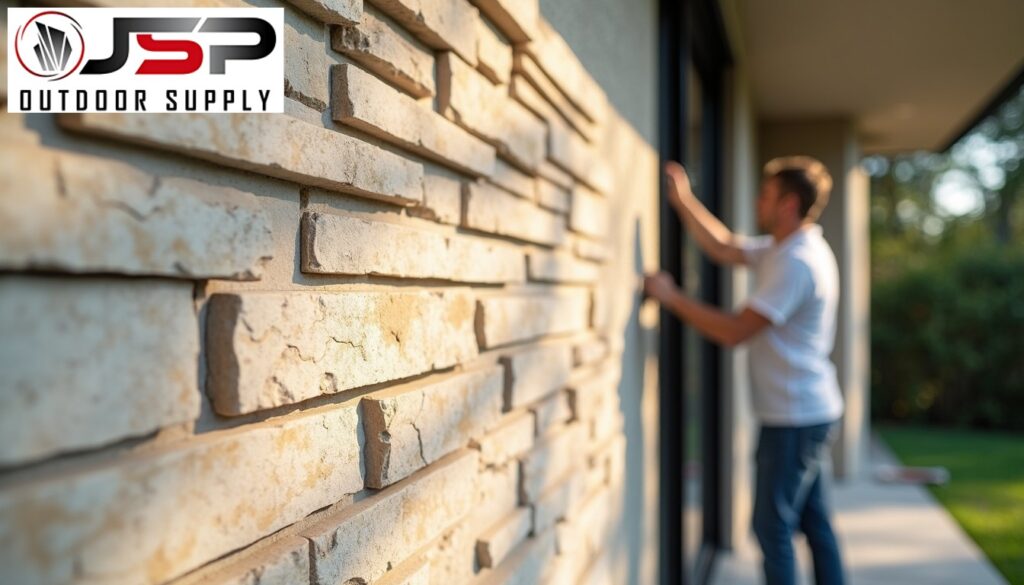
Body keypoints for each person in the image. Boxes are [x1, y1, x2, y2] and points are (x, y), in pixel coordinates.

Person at [644, 157, 846, 585]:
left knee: (772, 529)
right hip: (806, 412)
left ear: (789, 204)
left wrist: (671, 297)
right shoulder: (784, 247)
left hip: (795, 419)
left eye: (766, 194)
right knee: (814, 523)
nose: (757, 201)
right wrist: (683, 201)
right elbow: (725, 247)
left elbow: (737, 331)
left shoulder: (798, 262)